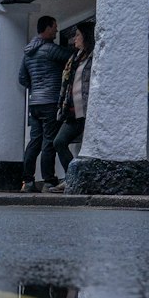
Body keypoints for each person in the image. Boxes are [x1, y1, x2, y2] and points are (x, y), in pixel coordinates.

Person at [18, 15, 71, 192]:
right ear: (47, 28)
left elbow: (22, 79)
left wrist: (36, 87)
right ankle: (49, 180)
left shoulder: (27, 54)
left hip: (35, 103)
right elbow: (72, 57)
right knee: (49, 142)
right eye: (55, 27)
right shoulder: (50, 49)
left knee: (34, 141)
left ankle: (28, 181)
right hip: (50, 101)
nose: (57, 30)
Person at [51, 21, 94, 187]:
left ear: (86, 36)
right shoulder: (74, 59)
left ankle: (76, 180)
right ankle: (72, 177)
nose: (74, 39)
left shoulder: (93, 57)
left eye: (77, 35)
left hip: (87, 109)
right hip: (72, 110)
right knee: (59, 142)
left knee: (85, 147)